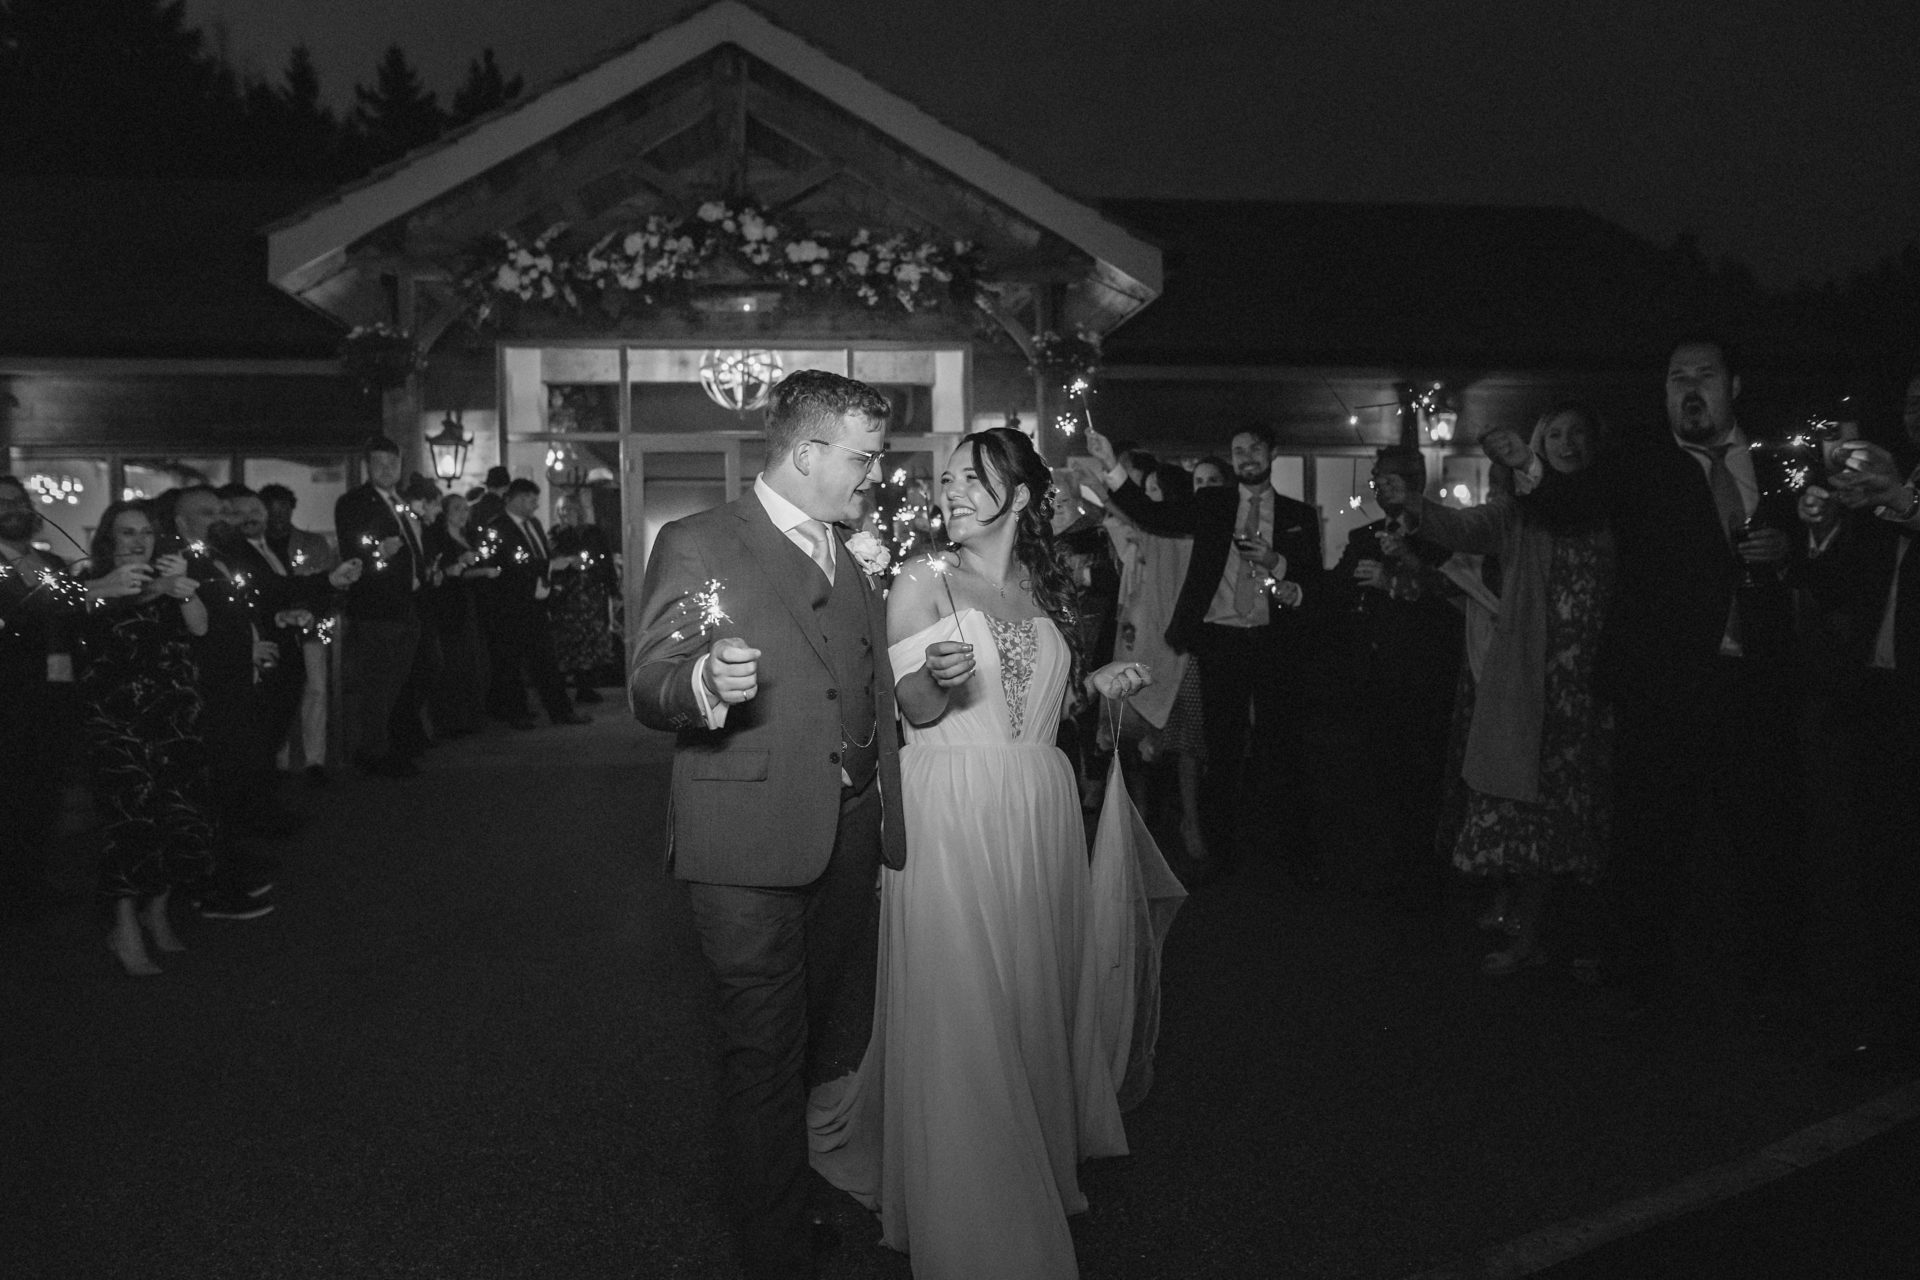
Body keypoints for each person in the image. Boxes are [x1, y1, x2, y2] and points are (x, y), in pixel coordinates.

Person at [810, 427, 1175, 1280]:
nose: (951, 491)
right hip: (953, 809)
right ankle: (974, 1204)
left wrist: (1093, 684)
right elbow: (917, 710)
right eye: (945, 479)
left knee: (1025, 984)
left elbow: (1031, 706)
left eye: (972, 479)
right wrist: (936, 676)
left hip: (1038, 807)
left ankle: (1036, 1145)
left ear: (1017, 495)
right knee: (964, 996)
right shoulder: (919, 580)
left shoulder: (1046, 588)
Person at [628, 369, 907, 1280]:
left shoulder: (851, 553)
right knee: (760, 1047)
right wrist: (701, 684)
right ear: (808, 451)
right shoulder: (700, 541)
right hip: (743, 842)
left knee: (806, 1041)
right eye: (864, 457)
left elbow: (857, 686)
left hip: (847, 835)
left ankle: (781, 1193)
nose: (877, 473)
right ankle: (771, 1250)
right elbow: (651, 677)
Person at [1516, 335, 1808, 1008]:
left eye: (1704, 375)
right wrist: (1527, 471)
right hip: (1663, 688)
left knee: (1767, 837)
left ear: (1734, 385)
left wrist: (1787, 549)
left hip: (1754, 683)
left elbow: (1822, 559)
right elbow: (1568, 505)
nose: (1690, 389)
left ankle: (1776, 981)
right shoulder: (1639, 462)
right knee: (1649, 839)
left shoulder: (1779, 463)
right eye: (1678, 379)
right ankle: (1636, 979)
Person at [1402, 405, 1617, 974]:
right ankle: (1531, 937)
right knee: (1539, 815)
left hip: (1602, 680)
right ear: (1537, 446)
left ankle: (1592, 944)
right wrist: (1410, 503)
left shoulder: (1612, 502)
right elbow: (1463, 529)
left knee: (1598, 810)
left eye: (1577, 433)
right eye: (1554, 435)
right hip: (1539, 681)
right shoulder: (1521, 511)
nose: (1567, 442)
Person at [1087, 423, 1324, 883]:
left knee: (1282, 744)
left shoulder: (1298, 514)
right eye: (1238, 450)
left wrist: (1280, 565)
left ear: (1272, 452)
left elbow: (1314, 578)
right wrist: (1111, 464)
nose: (1246, 456)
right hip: (1223, 638)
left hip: (1275, 640)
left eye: (1255, 448)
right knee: (1223, 747)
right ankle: (1220, 854)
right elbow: (1152, 517)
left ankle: (1292, 852)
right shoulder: (1216, 502)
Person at [1802, 368, 1920, 1072]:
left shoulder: (1899, 489)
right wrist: (1821, 528)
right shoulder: (1890, 486)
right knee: (1883, 858)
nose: (1914, 410)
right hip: (1881, 697)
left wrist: (1901, 499)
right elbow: (1840, 583)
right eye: (1909, 399)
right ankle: (1893, 1008)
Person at [77, 501, 240, 973]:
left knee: (178, 817)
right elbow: (85, 611)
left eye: (146, 532)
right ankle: (124, 926)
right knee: (129, 821)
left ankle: (158, 912)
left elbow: (201, 626)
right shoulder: (94, 580)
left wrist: (184, 590)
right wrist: (158, 588)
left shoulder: (168, 575)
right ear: (110, 539)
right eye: (127, 533)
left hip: (174, 716)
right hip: (119, 720)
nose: (137, 540)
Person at [1329, 446, 1464, 900]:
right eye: (1376, 480)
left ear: (1414, 481)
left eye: (1389, 480)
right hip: (1371, 674)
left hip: (1424, 675)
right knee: (1373, 776)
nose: (1380, 488)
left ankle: (1420, 874)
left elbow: (1455, 605)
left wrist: (1394, 581)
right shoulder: (1363, 536)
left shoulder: (1442, 537)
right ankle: (1375, 870)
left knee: (1421, 778)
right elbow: (1335, 595)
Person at [335, 437, 428, 777]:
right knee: (378, 683)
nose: (387, 470)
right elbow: (352, 550)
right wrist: (378, 554)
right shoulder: (355, 502)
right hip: (378, 607)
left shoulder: (398, 501)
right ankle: (373, 751)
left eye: (392, 464)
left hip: (407, 603)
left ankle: (392, 743)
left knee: (400, 680)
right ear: (367, 467)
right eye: (379, 464)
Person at [478, 479, 589, 729]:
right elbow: (506, 564)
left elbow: (540, 558)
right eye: (530, 499)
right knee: (511, 663)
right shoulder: (498, 527)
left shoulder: (535, 525)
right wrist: (549, 566)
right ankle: (517, 712)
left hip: (537, 604)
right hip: (511, 606)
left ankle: (560, 711)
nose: (536, 505)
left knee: (546, 660)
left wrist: (556, 568)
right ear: (515, 499)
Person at [259, 484, 338, 782]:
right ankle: (277, 758)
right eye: (272, 511)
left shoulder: (313, 543)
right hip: (274, 627)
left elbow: (325, 584)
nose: (279, 517)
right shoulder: (258, 547)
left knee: (315, 689)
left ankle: (314, 759)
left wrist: (313, 615)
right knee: (277, 692)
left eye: (284, 510)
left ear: (292, 509)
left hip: (309, 625)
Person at [421, 491, 492, 737]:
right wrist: (463, 564)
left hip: (469, 601)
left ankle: (471, 716)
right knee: (453, 660)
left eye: (466, 509)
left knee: (472, 659)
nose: (464, 514)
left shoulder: (469, 536)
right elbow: (443, 571)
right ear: (446, 513)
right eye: (458, 509)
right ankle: (451, 720)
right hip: (448, 605)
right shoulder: (438, 538)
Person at [548, 493, 620, 701]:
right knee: (570, 639)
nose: (564, 513)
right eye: (561, 510)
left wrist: (612, 589)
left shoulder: (593, 532)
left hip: (591, 592)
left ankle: (586, 686)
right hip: (568, 595)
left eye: (568, 509)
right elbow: (553, 558)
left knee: (591, 638)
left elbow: (604, 560)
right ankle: (567, 683)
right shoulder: (555, 534)